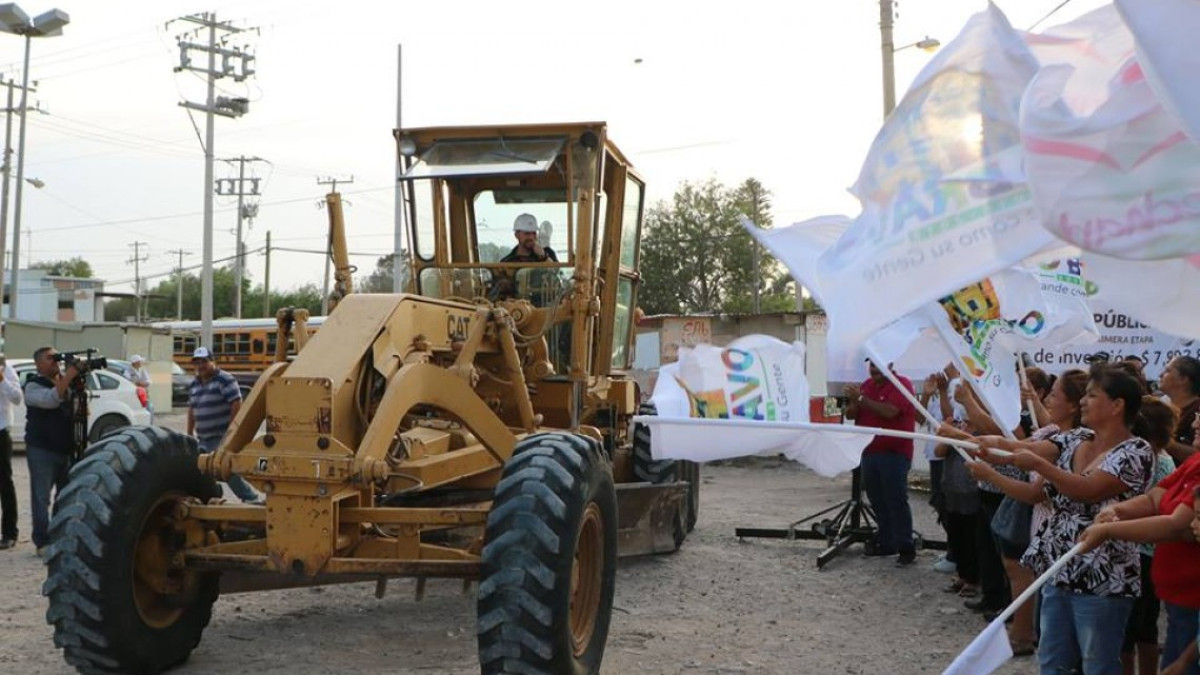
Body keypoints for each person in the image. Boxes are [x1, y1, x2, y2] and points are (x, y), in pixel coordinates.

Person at [976, 364, 1154, 675]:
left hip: (1102, 577)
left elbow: (1086, 490)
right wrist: (984, 445)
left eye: (1092, 395)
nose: (1083, 401)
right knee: (1052, 660)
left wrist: (1040, 466)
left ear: (1117, 405)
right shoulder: (1075, 438)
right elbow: (1023, 448)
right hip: (1057, 571)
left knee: (1097, 664)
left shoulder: (1136, 451)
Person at [1078, 405, 1199, 675]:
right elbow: (1157, 496)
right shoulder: (1195, 462)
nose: (1194, 424)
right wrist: (1118, 510)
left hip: (1193, 599)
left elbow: (1176, 525)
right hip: (1179, 599)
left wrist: (1109, 530)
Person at [844, 361, 918, 566]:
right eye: (872, 367)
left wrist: (860, 398)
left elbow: (890, 412)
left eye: (878, 367)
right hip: (869, 452)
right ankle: (887, 542)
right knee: (877, 499)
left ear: (891, 365)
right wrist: (853, 401)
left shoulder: (902, 384)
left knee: (896, 500)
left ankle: (906, 547)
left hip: (894, 454)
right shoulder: (866, 385)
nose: (874, 371)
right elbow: (851, 414)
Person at [24, 346, 82, 556]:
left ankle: (61, 534)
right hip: (42, 449)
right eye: (50, 358)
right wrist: (69, 375)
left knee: (66, 495)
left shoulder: (66, 383)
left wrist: (74, 378)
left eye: (56, 357)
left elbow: (78, 409)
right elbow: (51, 400)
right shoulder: (32, 385)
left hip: (65, 448)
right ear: (39, 364)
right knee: (41, 497)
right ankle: (42, 541)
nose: (55, 361)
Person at [186, 347, 259, 504]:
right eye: (197, 362)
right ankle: (205, 499)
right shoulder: (194, 384)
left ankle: (250, 499)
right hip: (202, 438)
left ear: (213, 361)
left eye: (204, 361)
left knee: (225, 469)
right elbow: (192, 409)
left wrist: (231, 431)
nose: (200, 366)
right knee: (201, 469)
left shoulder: (224, 379)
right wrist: (189, 433)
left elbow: (236, 402)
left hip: (221, 435)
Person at [492, 213, 561, 303]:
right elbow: (501, 291)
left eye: (534, 233)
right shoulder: (507, 262)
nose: (531, 237)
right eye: (527, 233)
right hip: (518, 309)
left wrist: (543, 256)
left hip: (546, 307)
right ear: (517, 235)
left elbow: (556, 272)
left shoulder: (548, 253)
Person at [1160, 356, 1200, 464]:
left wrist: (1161, 440)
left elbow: (1197, 456)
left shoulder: (1196, 411)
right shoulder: (1162, 408)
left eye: (1167, 371)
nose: (1160, 375)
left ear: (1183, 379)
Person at [0, 356, 22, 550]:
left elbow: (17, 398)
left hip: (0, 432)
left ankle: (9, 533)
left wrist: (1, 380)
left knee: (4, 483)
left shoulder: (6, 370)